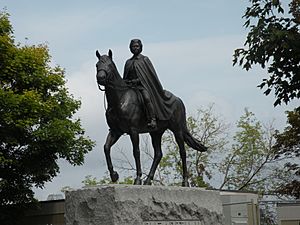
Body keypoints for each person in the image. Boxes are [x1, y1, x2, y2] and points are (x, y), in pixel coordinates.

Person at [123, 39, 176, 129]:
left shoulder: (144, 59)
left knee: (147, 98)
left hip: (143, 86)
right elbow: (125, 77)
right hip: (131, 87)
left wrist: (137, 81)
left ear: (140, 47)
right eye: (133, 46)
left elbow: (149, 76)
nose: (135, 48)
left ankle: (152, 119)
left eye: (137, 46)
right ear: (130, 48)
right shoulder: (128, 62)